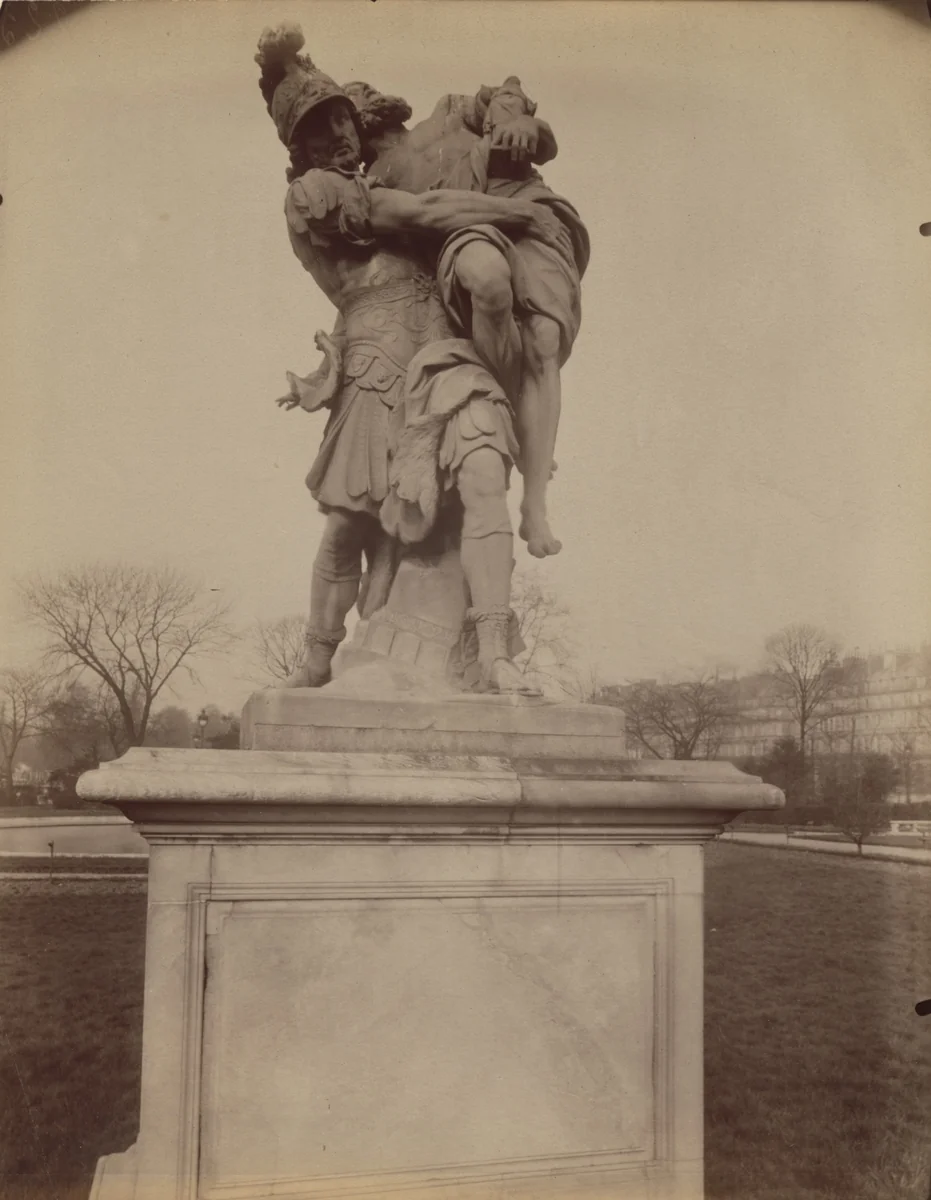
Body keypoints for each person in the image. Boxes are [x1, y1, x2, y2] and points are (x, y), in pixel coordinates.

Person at [256, 24, 556, 693]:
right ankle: (316, 660)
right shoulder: (316, 194)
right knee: (349, 525)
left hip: (440, 359)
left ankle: (479, 651)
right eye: (316, 131)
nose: (335, 137)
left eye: (340, 122)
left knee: (448, 512)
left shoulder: (362, 169)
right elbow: (421, 212)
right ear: (296, 148)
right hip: (375, 366)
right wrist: (522, 218)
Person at [341, 75, 591, 560]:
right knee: (489, 281)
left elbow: (511, 100)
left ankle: (535, 502)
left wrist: (524, 121)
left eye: (353, 104)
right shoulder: (374, 183)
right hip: (471, 235)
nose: (356, 117)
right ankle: (518, 416)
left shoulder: (450, 112)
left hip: (529, 205)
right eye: (343, 118)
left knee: (544, 338)